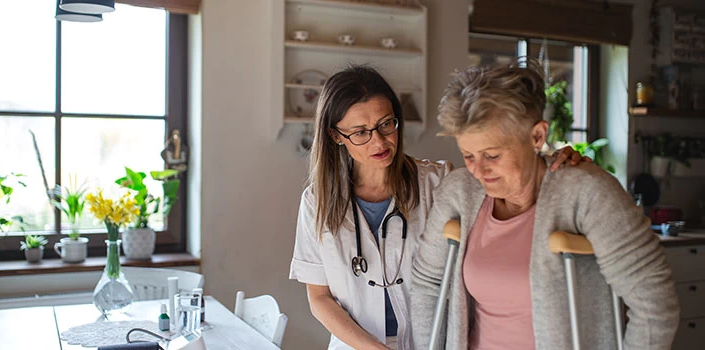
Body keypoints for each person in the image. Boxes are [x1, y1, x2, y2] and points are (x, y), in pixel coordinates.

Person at [289, 65, 585, 350]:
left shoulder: (438, 182)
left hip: (433, 341)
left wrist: (547, 163)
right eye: (360, 132)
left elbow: (511, 189)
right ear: (336, 136)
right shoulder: (317, 202)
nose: (378, 140)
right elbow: (319, 297)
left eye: (386, 124)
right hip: (356, 346)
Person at [410, 59, 679, 349]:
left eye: (492, 155)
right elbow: (427, 282)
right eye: (469, 155)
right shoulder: (459, 191)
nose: (478, 170)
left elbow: (654, 304)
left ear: (537, 136)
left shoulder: (586, 191)